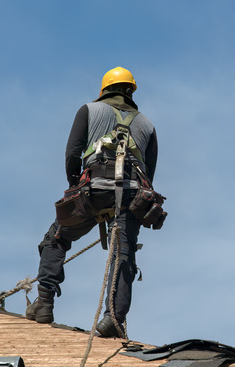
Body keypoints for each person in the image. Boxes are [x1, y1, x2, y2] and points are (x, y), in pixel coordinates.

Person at [26, 66, 159, 338]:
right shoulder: (147, 124)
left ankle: (45, 303)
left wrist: (74, 185)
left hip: (93, 190)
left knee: (56, 238)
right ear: (131, 91)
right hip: (132, 196)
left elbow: (72, 153)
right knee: (123, 253)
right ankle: (113, 318)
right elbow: (149, 174)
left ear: (104, 90)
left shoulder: (88, 110)